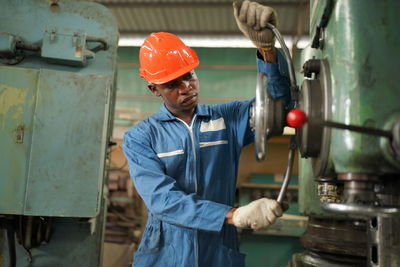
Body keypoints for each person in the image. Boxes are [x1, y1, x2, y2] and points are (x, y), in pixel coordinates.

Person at [123, 1, 292, 266]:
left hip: (219, 252)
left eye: (189, 76)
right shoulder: (141, 137)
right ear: (154, 90)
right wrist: (233, 215)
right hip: (166, 254)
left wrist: (267, 50)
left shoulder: (229, 117)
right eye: (172, 84)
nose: (186, 87)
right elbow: (163, 200)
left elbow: (278, 109)